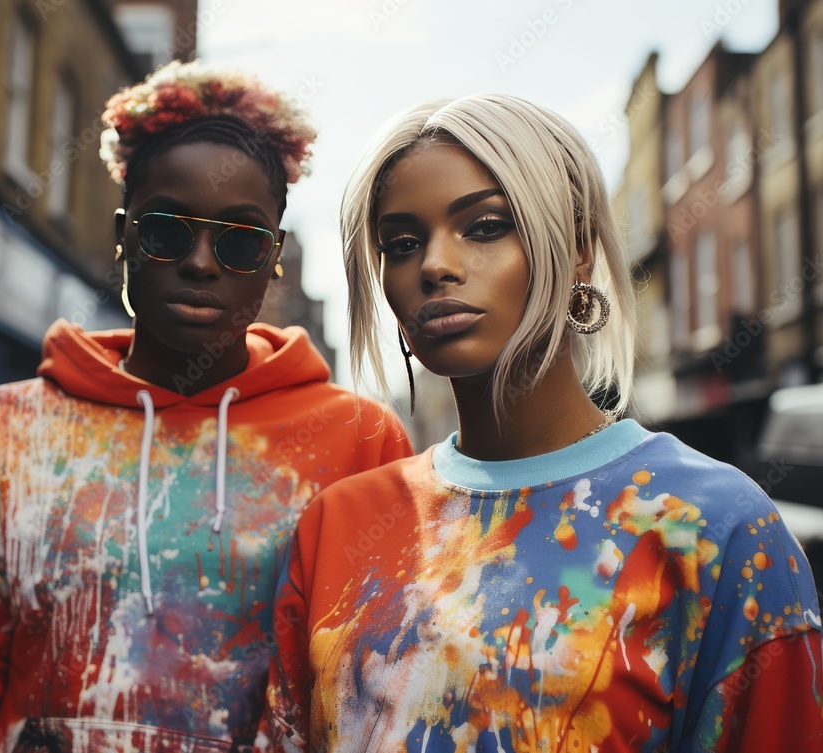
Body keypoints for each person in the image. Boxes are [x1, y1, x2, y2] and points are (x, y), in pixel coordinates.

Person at [259, 94, 823, 752]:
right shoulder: (338, 525)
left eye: (486, 225)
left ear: (579, 251)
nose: (435, 264)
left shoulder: (713, 526)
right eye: (402, 242)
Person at [0, 60, 412, 753]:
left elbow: (380, 697)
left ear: (274, 257)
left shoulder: (361, 442)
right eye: (166, 230)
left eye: (240, 240)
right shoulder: (5, 431)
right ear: (123, 232)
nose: (200, 261)